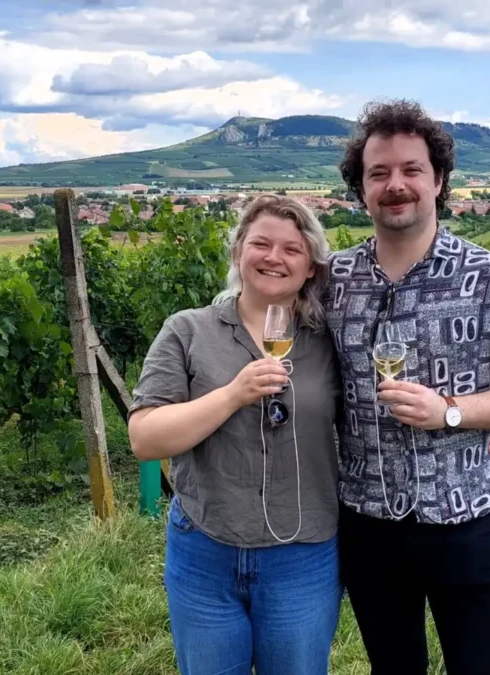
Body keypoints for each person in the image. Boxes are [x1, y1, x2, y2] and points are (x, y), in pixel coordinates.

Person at [326, 100, 490, 675]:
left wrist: (452, 410)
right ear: (360, 187)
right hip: (367, 521)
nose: (395, 185)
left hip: (465, 517)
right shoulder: (332, 281)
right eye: (378, 173)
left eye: (411, 169)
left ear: (439, 180)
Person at [127, 194, 344, 675]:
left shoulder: (331, 340)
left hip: (303, 556)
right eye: (261, 243)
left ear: (310, 266)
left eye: (292, 249)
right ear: (238, 251)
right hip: (205, 552)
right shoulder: (187, 331)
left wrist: (475, 424)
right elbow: (144, 439)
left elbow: (372, 420)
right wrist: (231, 396)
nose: (274, 257)